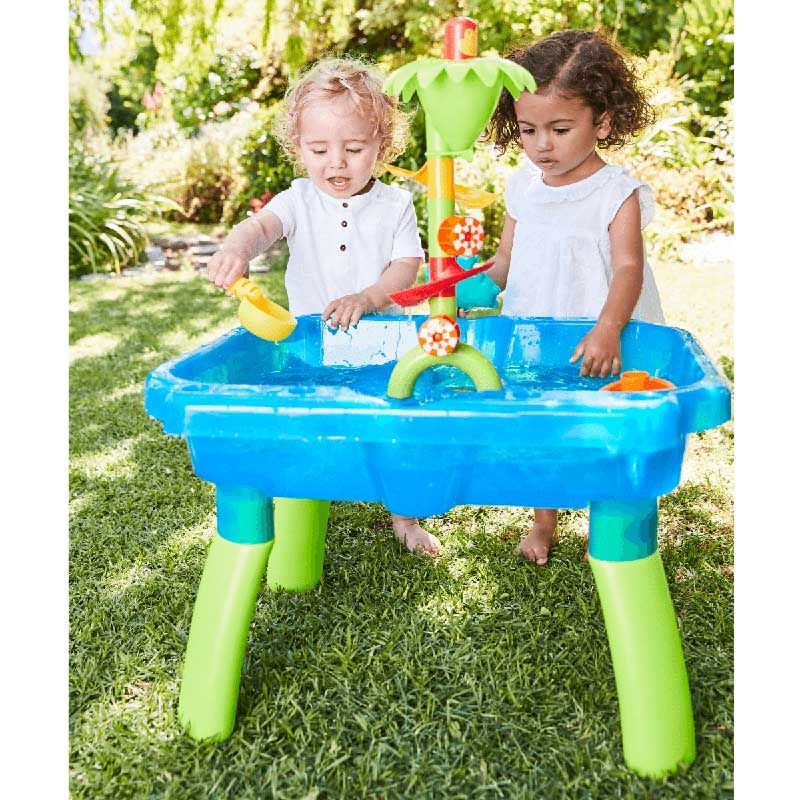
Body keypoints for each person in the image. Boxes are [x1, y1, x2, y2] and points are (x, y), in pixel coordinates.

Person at [207, 58, 442, 556]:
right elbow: (260, 229)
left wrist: (369, 298)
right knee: (307, 430)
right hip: (313, 346)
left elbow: (406, 268)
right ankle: (300, 508)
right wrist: (235, 248)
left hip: (384, 347)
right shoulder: (297, 199)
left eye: (354, 148)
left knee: (391, 430)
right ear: (299, 148)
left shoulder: (394, 204)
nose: (336, 163)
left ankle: (404, 515)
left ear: (382, 146)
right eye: (319, 149)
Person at [477, 30, 665, 564]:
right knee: (544, 424)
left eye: (560, 129)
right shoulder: (522, 186)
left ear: (601, 123)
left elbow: (630, 266)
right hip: (540, 322)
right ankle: (543, 523)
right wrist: (480, 285)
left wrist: (607, 328)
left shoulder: (615, 191)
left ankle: (618, 517)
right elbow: (507, 260)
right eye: (528, 129)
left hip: (604, 327)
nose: (542, 144)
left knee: (611, 421)